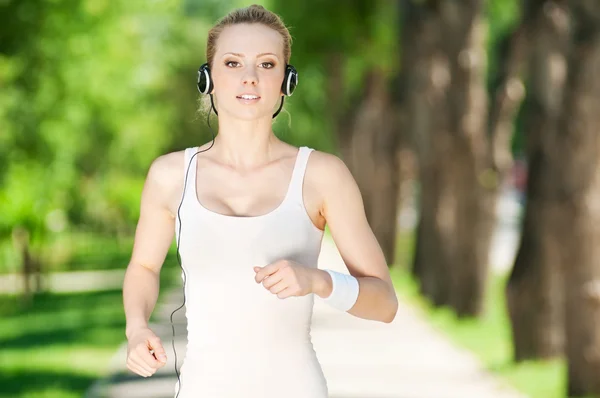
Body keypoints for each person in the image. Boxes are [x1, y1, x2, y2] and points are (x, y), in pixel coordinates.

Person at [122, 4, 398, 398]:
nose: (249, 78)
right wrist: (137, 328)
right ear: (208, 78)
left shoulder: (322, 175)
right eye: (233, 63)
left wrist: (317, 280)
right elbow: (144, 266)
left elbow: (384, 303)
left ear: (287, 81)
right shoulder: (169, 176)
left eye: (266, 65)